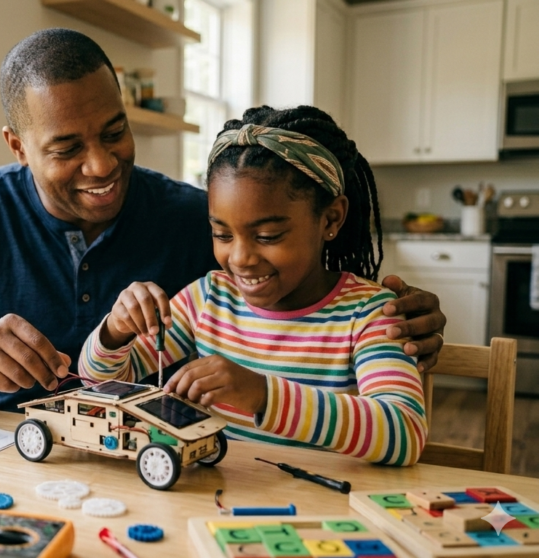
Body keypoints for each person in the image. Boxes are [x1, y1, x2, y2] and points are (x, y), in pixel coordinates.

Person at [0, 29, 446, 413]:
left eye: (115, 132)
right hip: (9, 456)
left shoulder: (196, 219)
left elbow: (295, 310)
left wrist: (386, 320)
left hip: (159, 464)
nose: (101, 164)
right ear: (18, 146)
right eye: (67, 147)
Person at [80, 106, 426, 465]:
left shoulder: (369, 313)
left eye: (267, 235)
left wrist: (264, 395)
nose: (241, 257)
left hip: (325, 510)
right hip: (219, 506)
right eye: (222, 234)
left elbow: (405, 432)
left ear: (331, 218)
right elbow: (97, 380)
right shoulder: (208, 299)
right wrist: (115, 331)